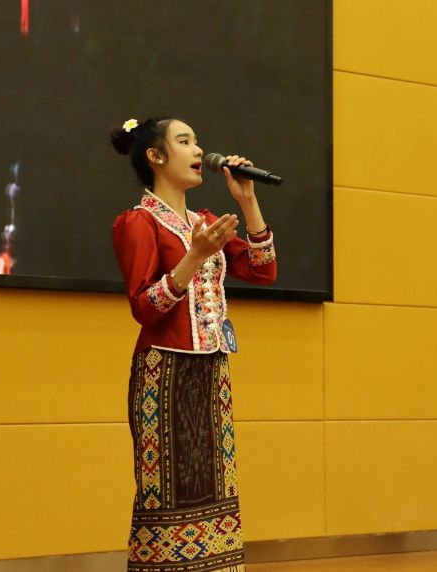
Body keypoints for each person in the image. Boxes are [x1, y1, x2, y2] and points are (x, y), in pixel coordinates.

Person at [110, 116, 277, 572]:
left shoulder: (206, 222)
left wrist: (248, 201)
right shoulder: (137, 222)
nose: (199, 150)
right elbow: (144, 307)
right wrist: (194, 257)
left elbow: (262, 270)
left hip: (212, 370)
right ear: (156, 156)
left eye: (197, 141)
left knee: (215, 484)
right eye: (184, 141)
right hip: (164, 373)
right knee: (167, 491)